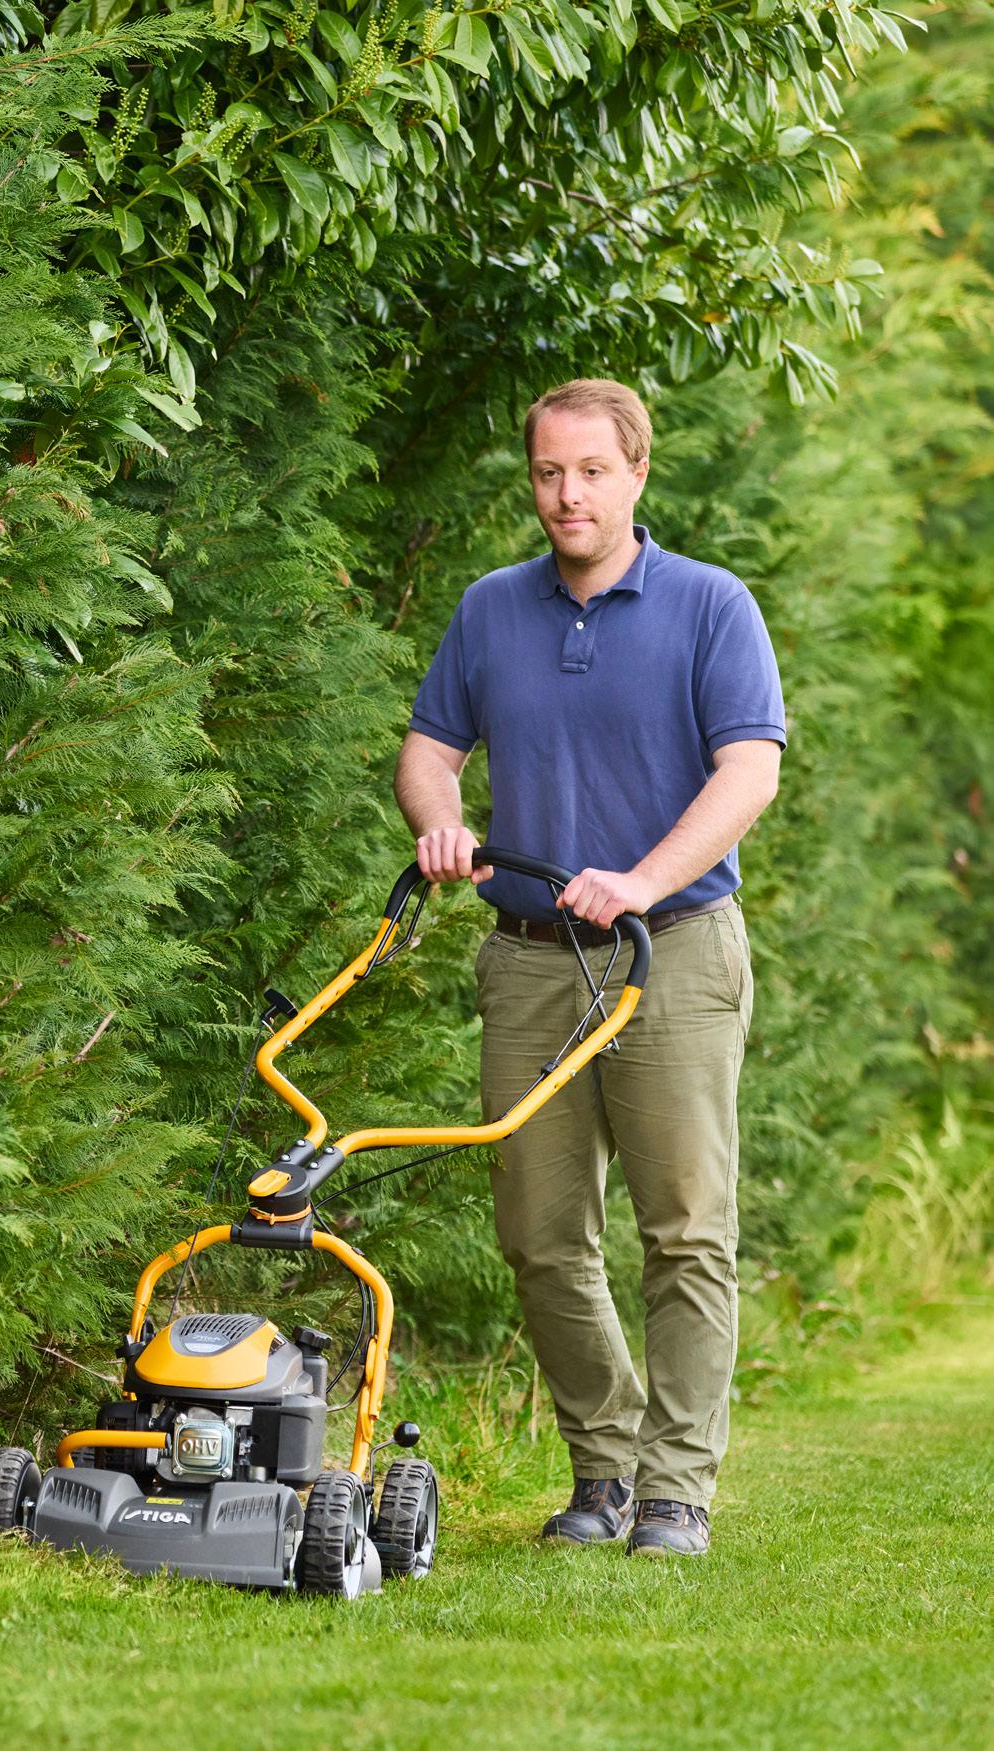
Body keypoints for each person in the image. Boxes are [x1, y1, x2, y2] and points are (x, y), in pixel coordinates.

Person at [394, 378, 785, 1557]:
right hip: (527, 961)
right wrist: (440, 822)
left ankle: (674, 1489)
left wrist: (641, 878)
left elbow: (748, 770)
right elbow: (427, 752)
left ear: (635, 473)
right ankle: (605, 1464)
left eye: (590, 471)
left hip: (671, 952)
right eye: (546, 472)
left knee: (683, 1228)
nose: (566, 494)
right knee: (538, 1234)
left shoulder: (709, 605)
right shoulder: (490, 608)